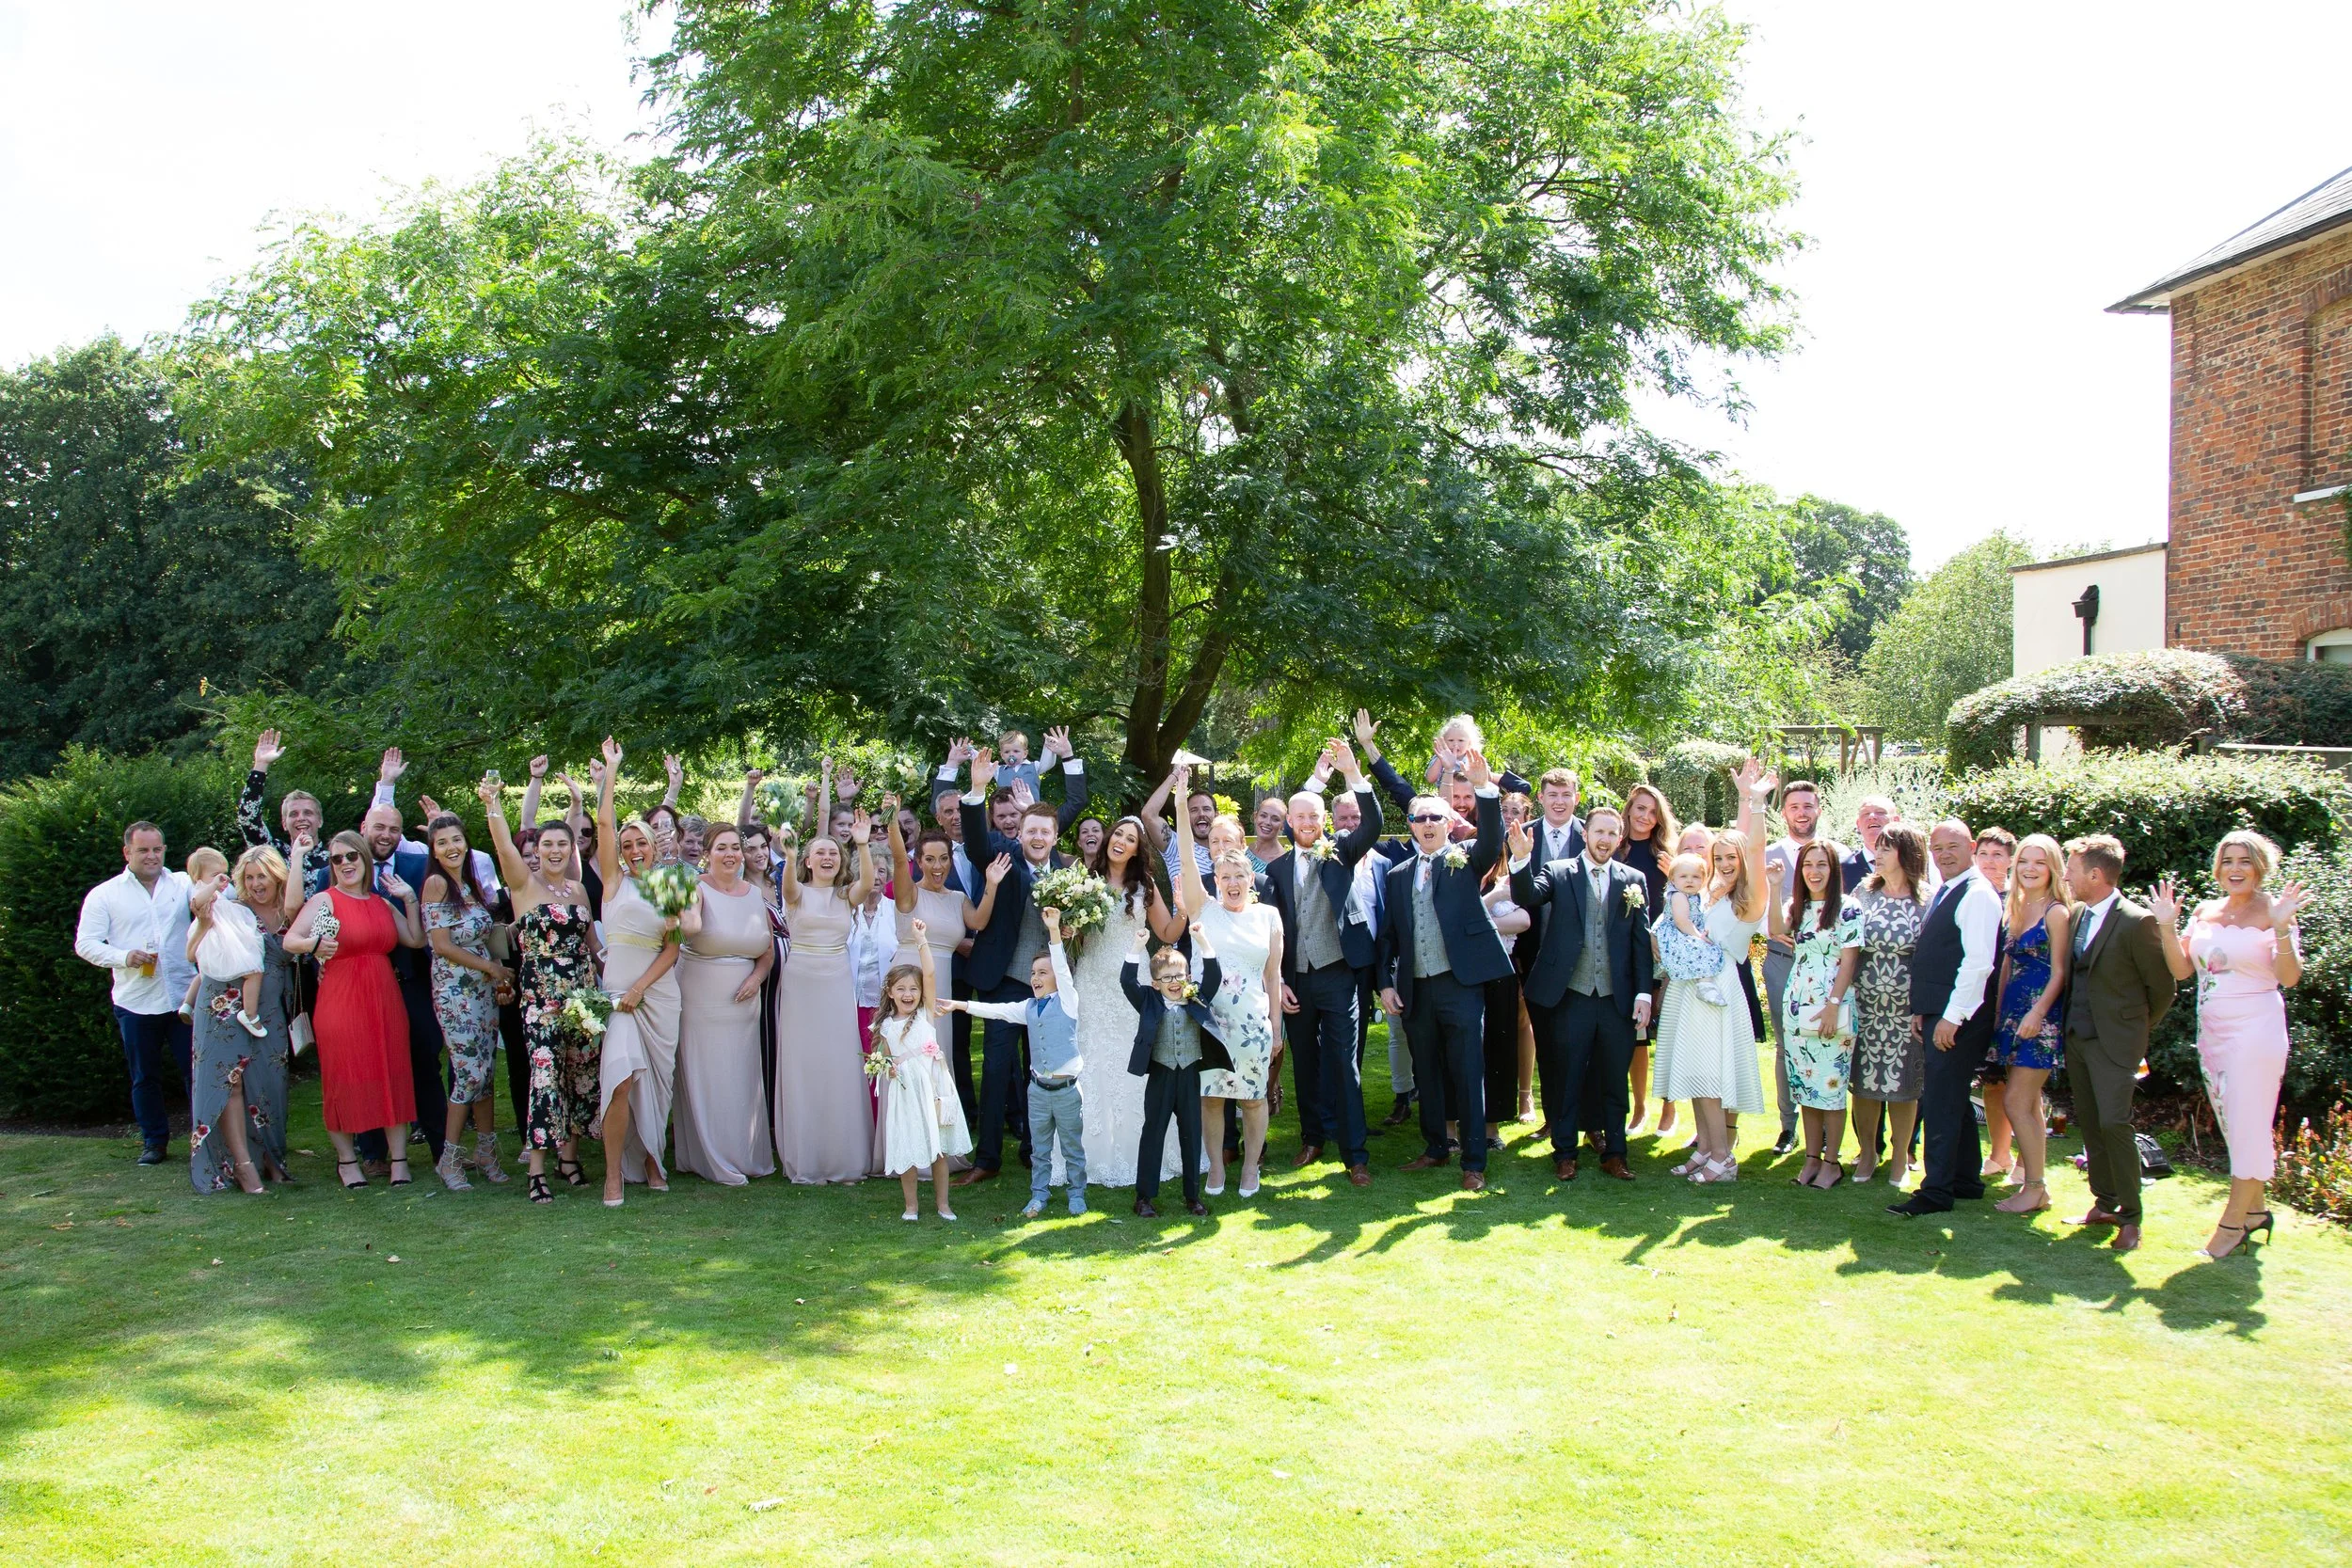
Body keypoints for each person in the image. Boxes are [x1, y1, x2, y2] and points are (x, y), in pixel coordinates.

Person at [2151, 832, 2307, 1260]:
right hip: (2213, 1031)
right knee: (2233, 1122)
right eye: (2228, 861)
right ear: (2218, 868)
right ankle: (2256, 1212)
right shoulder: (2205, 911)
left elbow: (2289, 977)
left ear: (2260, 867)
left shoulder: (2275, 911)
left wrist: (2282, 929)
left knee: (2248, 1124)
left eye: (2245, 861)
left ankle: (2232, 1225)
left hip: (2256, 1029)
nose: (2235, 869)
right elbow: (2181, 970)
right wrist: (2166, 925)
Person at [950, 736, 1090, 1186]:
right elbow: (974, 844)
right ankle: (988, 1158)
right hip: (1005, 979)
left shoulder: (1069, 873)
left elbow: (1081, 928)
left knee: (1044, 1069)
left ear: (1054, 836)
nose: (1037, 837)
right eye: (1031, 831)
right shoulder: (1002, 858)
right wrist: (976, 791)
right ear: (1021, 832)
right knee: (995, 1068)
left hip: (1051, 986)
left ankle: (1035, 1151)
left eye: (1045, 832)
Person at [1377, 749, 1510, 1191]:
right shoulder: (1398, 875)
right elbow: (1388, 937)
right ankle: (1435, 1147)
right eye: (1420, 819)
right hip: (1416, 988)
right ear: (1411, 826)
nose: (1428, 824)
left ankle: (1473, 1161)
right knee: (1426, 1073)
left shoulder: (1466, 859)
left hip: (1461, 985)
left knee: (1467, 1071)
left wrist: (1485, 789)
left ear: (1450, 822)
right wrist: (1385, 984)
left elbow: (1493, 841)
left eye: (1436, 817)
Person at [1510, 804, 1656, 1181]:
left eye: (1612, 833)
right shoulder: (1559, 871)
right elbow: (1528, 895)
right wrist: (1521, 860)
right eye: (1599, 832)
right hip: (1570, 994)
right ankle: (1564, 1152)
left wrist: (1643, 994)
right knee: (1566, 1075)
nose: (1605, 839)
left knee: (1614, 1078)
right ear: (1585, 834)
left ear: (1619, 839)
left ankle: (1616, 1154)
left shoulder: (1633, 879)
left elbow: (1640, 944)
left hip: (1616, 997)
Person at [1264, 737, 1383, 1184]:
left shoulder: (1343, 851)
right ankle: (1312, 1138)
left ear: (1324, 821)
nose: (1308, 823)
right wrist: (1279, 982)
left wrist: (1352, 772)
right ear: (1290, 822)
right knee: (1305, 1066)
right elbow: (1272, 933)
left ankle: (1356, 1155)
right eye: (1301, 817)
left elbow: (1373, 823)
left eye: (1315, 816)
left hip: (1337, 975)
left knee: (1345, 1065)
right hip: (1296, 981)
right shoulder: (1275, 870)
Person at [477, 780, 600, 1204]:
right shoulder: (523, 885)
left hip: (582, 996)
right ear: (537, 849)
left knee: (579, 1075)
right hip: (542, 998)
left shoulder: (578, 890)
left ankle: (569, 1159)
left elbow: (592, 944)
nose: (555, 851)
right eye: (547, 844)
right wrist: (493, 804)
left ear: (572, 849)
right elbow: (503, 847)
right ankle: (536, 1170)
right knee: (545, 1077)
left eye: (562, 844)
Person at [283, 830, 424, 1188]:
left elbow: (414, 938)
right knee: (343, 1078)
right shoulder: (326, 901)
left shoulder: (380, 903)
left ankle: (399, 1161)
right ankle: (347, 1161)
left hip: (384, 999)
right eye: (337, 859)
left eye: (351, 856)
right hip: (342, 1000)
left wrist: (410, 899)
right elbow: (291, 940)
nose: (345, 863)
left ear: (364, 858)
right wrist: (315, 944)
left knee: (392, 1073)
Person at [1652, 766, 1772, 1182]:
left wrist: (1755, 802)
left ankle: (1724, 1157)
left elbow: (1754, 847)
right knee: (1694, 1072)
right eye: (1717, 858)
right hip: (1692, 987)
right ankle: (1705, 1148)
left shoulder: (1751, 897)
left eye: (1730, 858)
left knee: (1709, 1075)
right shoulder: (1713, 892)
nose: (1723, 864)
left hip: (1719, 989)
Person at [1886, 820, 2008, 1222]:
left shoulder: (1977, 894)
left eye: (1952, 846)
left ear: (1971, 847)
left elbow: (1978, 965)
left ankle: (1936, 1191)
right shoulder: (1952, 888)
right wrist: (1925, 1011)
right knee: (1952, 1097)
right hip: (1941, 1011)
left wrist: (1951, 1018)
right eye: (1937, 848)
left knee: (1939, 1100)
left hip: (1960, 1016)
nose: (1944, 855)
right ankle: (1965, 1180)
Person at [1176, 783, 1285, 1198]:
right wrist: (1179, 802)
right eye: (1225, 877)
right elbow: (1187, 854)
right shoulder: (1203, 909)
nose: (1233, 883)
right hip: (1210, 1022)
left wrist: (1277, 1029)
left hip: (1253, 1024)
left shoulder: (1268, 916)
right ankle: (1217, 1169)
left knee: (1253, 1099)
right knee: (1211, 1098)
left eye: (1240, 876)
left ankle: (1251, 1167)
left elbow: (1273, 977)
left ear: (1250, 879)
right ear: (1217, 881)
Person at [593, 739, 686, 1205]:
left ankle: (652, 1158)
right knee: (621, 1079)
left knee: (658, 1084)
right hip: (618, 997)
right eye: (626, 844)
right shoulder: (613, 883)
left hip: (658, 995)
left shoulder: (670, 888)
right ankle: (613, 1175)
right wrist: (611, 770)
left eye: (640, 843)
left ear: (654, 847)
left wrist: (641, 988)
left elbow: (673, 950)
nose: (632, 849)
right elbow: (603, 823)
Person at [944, 912, 1079, 1218]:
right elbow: (998, 1011)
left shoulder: (1068, 1001)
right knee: (1039, 1147)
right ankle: (1036, 1193)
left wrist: (1054, 931)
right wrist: (960, 1005)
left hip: (1068, 1091)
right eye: (1034, 973)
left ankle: (1077, 1194)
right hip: (1038, 1090)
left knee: (1071, 1146)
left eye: (1043, 973)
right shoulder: (1027, 1006)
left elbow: (1061, 967)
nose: (1035, 978)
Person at [75, 821, 196, 1164]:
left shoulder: (183, 883)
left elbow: (219, 900)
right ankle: (154, 1142)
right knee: (145, 1077)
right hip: (136, 1002)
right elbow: (85, 943)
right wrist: (124, 956)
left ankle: (205, 1138)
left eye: (157, 849)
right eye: (143, 850)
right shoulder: (105, 894)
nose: (152, 856)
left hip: (184, 997)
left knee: (196, 1072)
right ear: (127, 852)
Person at [183, 846, 297, 1194]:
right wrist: (204, 923)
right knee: (228, 1082)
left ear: (277, 876)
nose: (255, 884)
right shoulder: (233, 909)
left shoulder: (293, 910)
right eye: (249, 877)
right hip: (224, 1002)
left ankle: (271, 1157)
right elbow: (194, 954)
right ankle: (243, 1165)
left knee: (270, 1081)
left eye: (262, 876)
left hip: (271, 1009)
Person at [771, 816, 876, 1183]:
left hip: (836, 980)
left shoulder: (846, 896)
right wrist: (788, 855)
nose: (828, 857)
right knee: (803, 1062)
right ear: (808, 861)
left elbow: (867, 883)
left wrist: (861, 844)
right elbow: (787, 888)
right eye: (820, 853)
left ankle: (840, 1154)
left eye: (833, 852)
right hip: (800, 981)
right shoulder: (796, 891)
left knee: (838, 1061)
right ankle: (808, 1155)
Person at [673, 823, 778, 1188]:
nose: (730, 854)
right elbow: (688, 928)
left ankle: (745, 1153)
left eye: (735, 847)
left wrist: (756, 978)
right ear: (707, 853)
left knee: (741, 1077)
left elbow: (766, 951)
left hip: (745, 1002)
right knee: (708, 1076)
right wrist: (682, 915)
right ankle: (710, 1156)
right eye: (721, 848)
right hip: (701, 998)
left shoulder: (754, 894)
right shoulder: (695, 888)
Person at [420, 812, 514, 1190]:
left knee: (486, 1074)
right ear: (433, 850)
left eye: (456, 840)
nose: (451, 848)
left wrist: (498, 966)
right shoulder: (436, 884)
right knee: (469, 1074)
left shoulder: (469, 885)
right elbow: (441, 945)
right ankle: (449, 1159)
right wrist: (491, 968)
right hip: (455, 993)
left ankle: (487, 1154)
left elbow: (484, 934)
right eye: (442, 843)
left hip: (483, 992)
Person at [1987, 833, 2073, 1216]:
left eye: (2039, 862)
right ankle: (2035, 1185)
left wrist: (2037, 1013)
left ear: (2053, 868)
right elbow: (2007, 966)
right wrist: (1997, 1015)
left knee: (2016, 1101)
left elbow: (2060, 972)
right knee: (2030, 1102)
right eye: (2024, 861)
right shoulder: (2016, 907)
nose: (2030, 869)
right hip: (2011, 1015)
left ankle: (2035, 1186)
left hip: (2040, 1019)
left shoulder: (2056, 912)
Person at [1761, 780, 1846, 1156]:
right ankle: (1788, 1126)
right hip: (1783, 963)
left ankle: (1826, 1131)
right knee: (1786, 1046)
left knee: (1828, 1043)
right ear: (1784, 813)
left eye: (1808, 806)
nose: (1801, 813)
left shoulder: (1839, 854)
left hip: (1827, 969)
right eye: (1794, 806)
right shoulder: (1767, 855)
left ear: (1818, 810)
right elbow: (1753, 906)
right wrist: (1770, 928)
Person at [1121, 923, 1230, 1217]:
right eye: (1167, 977)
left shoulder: (1196, 998)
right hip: (1161, 1075)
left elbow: (1214, 976)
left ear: (1188, 977)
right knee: (1153, 1132)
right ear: (1155, 983)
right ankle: (1144, 1197)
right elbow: (1127, 982)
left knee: (1192, 1133)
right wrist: (1136, 947)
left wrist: (1202, 940)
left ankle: (1192, 1196)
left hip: (1190, 1074)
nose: (1174, 982)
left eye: (1179, 976)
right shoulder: (1148, 1001)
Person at [1844, 822, 1929, 1186]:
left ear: (1907, 854)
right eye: (1876, 847)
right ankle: (1867, 1153)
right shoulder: (1863, 893)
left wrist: (1923, 1008)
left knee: (1904, 1086)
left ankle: (1900, 1157)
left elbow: (1932, 959)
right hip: (1865, 1006)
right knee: (1864, 1084)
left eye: (1886, 848)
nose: (1877, 854)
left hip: (1906, 1011)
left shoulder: (1927, 900)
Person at [871, 927, 971, 1219]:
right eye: (901, 989)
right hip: (905, 1093)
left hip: (932, 1088)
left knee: (938, 1150)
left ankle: (943, 1204)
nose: (908, 994)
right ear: (890, 992)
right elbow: (886, 1058)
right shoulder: (886, 1025)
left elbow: (930, 973)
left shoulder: (926, 1015)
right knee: (908, 1147)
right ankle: (911, 1206)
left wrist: (921, 941)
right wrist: (887, 1069)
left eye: (914, 989)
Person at [1617, 783, 1680, 1135]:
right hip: (1627, 951)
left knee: (1667, 1031)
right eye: (1640, 808)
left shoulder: (1666, 854)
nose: (1645, 816)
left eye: (1653, 812)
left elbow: (1686, 898)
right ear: (1629, 809)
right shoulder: (1615, 849)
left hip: (1664, 953)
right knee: (1636, 1033)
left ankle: (1669, 1108)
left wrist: (1675, 875)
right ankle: (1640, 1107)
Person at [1970, 828, 2020, 1180]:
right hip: (1980, 1001)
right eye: (1984, 854)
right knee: (1991, 1081)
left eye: (1997, 855)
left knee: (2021, 1085)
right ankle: (2000, 1155)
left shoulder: (2018, 901)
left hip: (2015, 1001)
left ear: (2010, 861)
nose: (1990, 861)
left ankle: (2027, 1161)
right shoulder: (1972, 896)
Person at [183, 847, 268, 1040]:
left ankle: (188, 1004)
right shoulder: (203, 891)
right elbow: (196, 902)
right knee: (254, 970)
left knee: (204, 972)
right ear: (199, 877)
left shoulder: (219, 896)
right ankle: (250, 1014)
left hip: (222, 936)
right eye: (215, 875)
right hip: (220, 939)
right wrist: (213, 885)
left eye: (223, 874)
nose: (221, 880)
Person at [1842, 795, 1894, 892]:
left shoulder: (1912, 865)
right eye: (1866, 813)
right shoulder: (1843, 870)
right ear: (1858, 824)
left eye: (1880, 812)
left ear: (1896, 820)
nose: (1872, 817)